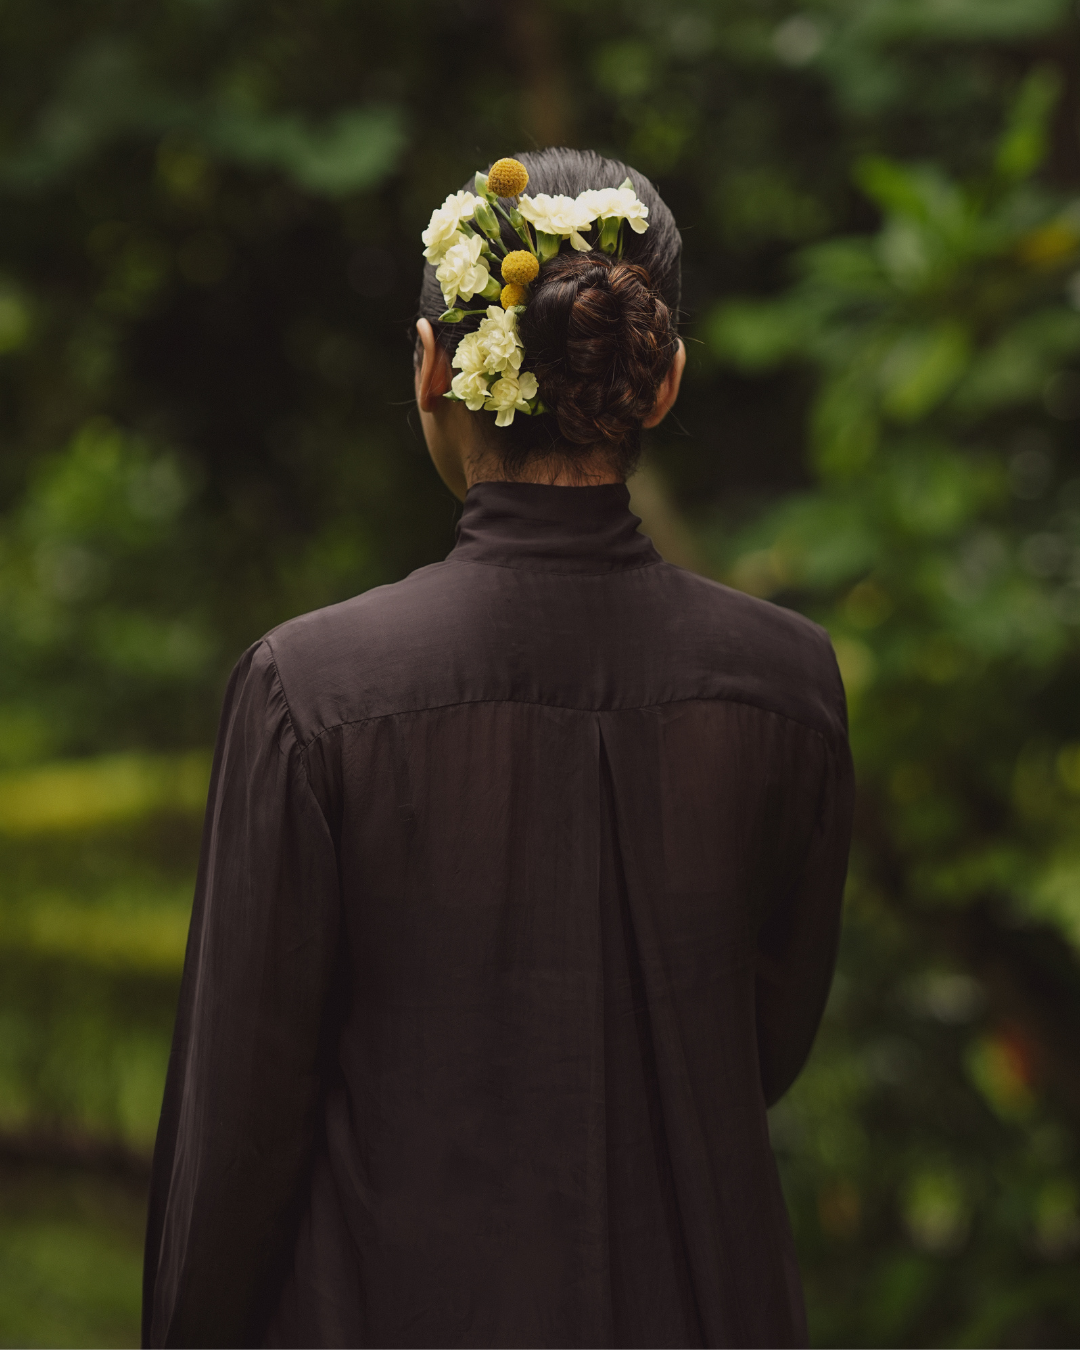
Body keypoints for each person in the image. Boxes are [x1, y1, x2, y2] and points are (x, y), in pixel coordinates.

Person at [143, 147, 853, 1349]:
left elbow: (239, 1138)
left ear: (431, 369)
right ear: (662, 379)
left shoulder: (310, 694)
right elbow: (759, 1050)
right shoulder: (785, 687)